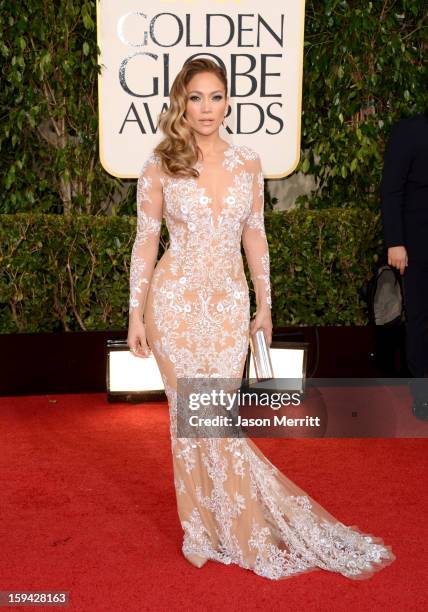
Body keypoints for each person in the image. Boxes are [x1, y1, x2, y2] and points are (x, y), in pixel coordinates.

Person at [127, 58, 395, 580]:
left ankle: (237, 522)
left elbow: (255, 235)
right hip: (175, 306)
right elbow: (145, 241)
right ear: (181, 101)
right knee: (188, 423)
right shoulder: (161, 163)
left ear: (229, 101)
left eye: (216, 96)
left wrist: (265, 305)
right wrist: (135, 312)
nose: (206, 108)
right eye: (196, 97)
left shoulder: (248, 161)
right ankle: (200, 530)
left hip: (228, 306)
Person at [380, 111, 428, 420]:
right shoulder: (409, 130)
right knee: (421, 319)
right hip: (417, 246)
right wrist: (395, 242)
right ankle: (423, 394)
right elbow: (391, 189)